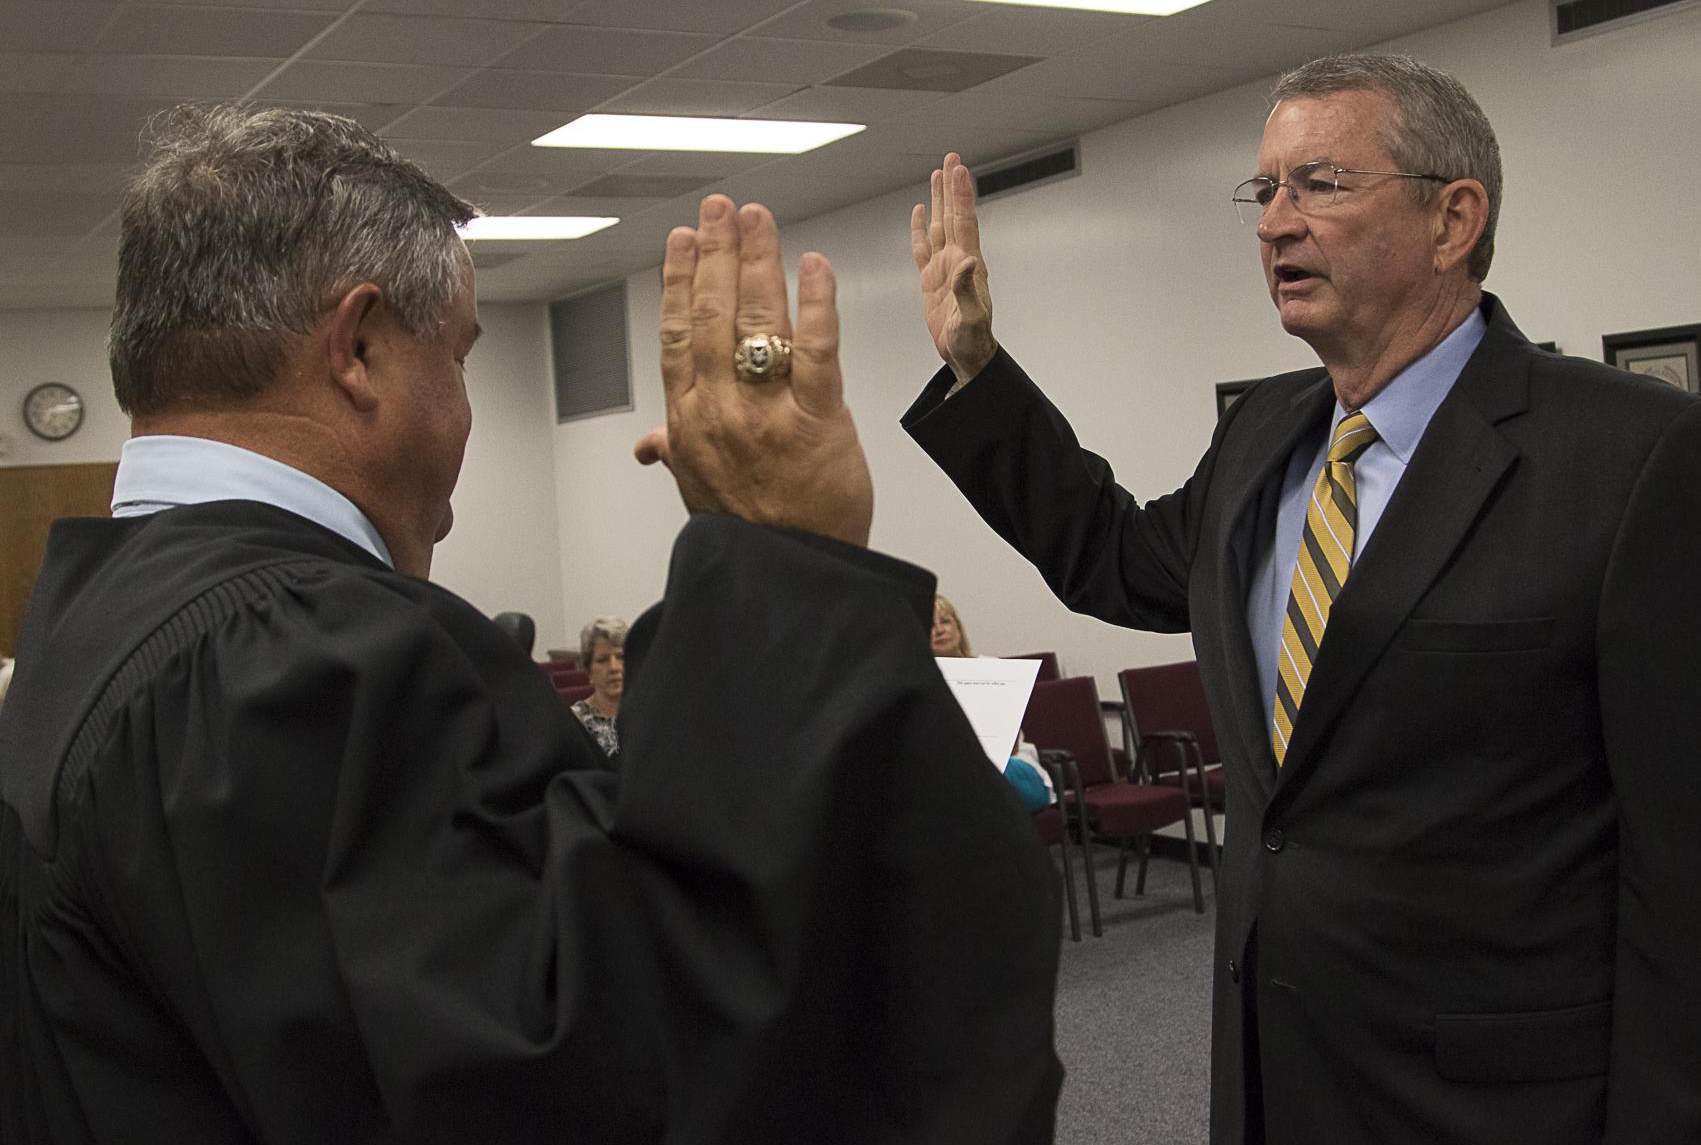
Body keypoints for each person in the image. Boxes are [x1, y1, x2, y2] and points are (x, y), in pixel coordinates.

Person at [0, 104, 1061, 1144]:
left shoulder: (97, 607)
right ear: (359, 347)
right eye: (459, 357)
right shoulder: (290, 658)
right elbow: (630, 1078)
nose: (465, 416)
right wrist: (788, 566)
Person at [902, 53, 1701, 1145]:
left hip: (1508, 1104)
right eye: (1265, 190)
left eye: (1320, 183)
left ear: (1453, 218)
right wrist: (977, 367)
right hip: (1277, 1079)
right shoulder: (1262, 438)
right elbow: (1112, 555)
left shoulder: (1635, 457)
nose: (1276, 223)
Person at [930, 594, 1053, 812]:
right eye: (931, 624)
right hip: (957, 771)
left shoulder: (990, 667)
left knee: (982, 775)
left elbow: (1010, 744)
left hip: (1011, 765)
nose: (939, 630)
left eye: (946, 621)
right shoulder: (925, 682)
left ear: (958, 628)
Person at [572, 615, 627, 758]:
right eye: (603, 660)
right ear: (588, 669)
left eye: (621, 657)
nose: (614, 668)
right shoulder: (575, 723)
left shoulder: (648, 713)